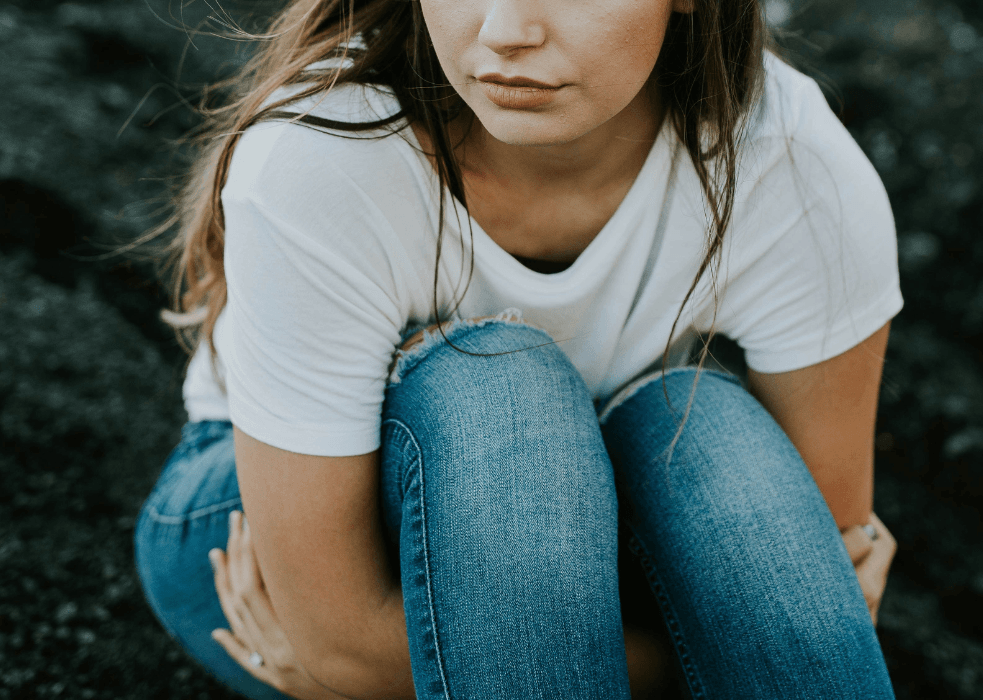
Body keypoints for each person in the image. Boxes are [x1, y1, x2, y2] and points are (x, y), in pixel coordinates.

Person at [133, 0, 902, 697]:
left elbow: (831, 561)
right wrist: (708, 661)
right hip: (270, 540)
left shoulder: (792, 163)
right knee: (501, 387)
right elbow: (341, 643)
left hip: (580, 520)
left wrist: (786, 627)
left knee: (706, 426)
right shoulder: (323, 154)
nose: (504, 31)